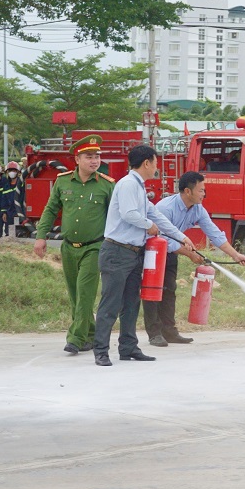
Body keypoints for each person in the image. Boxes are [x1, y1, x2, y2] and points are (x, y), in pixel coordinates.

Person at [92, 145, 194, 367]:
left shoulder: (139, 187)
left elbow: (156, 215)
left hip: (133, 253)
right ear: (146, 163)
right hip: (117, 252)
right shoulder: (128, 184)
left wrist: (181, 237)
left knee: (131, 303)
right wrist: (149, 225)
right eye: (155, 163)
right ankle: (100, 350)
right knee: (111, 304)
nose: (157, 167)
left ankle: (128, 347)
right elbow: (129, 214)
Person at [144, 170, 245, 347]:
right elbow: (162, 238)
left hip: (171, 253)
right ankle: (154, 333)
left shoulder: (198, 209)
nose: (204, 194)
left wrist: (236, 255)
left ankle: (169, 332)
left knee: (169, 290)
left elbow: (215, 234)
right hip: (153, 251)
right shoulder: (165, 208)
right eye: (201, 190)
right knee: (153, 291)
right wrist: (190, 253)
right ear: (188, 191)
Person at [35, 136, 115, 355]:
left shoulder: (107, 185)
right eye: (89, 156)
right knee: (75, 294)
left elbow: (115, 217)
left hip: (95, 247)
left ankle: (75, 339)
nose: (94, 161)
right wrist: (41, 236)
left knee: (85, 293)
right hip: (69, 247)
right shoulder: (63, 182)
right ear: (77, 159)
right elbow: (51, 209)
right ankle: (90, 334)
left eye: (97, 156)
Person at [0, 160, 22, 237]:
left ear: (18, 172)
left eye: (14, 170)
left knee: (19, 232)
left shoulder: (22, 184)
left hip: (20, 212)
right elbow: (4, 201)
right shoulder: (6, 186)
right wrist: (4, 212)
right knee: (9, 232)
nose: (12, 172)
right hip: (9, 213)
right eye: (10, 170)